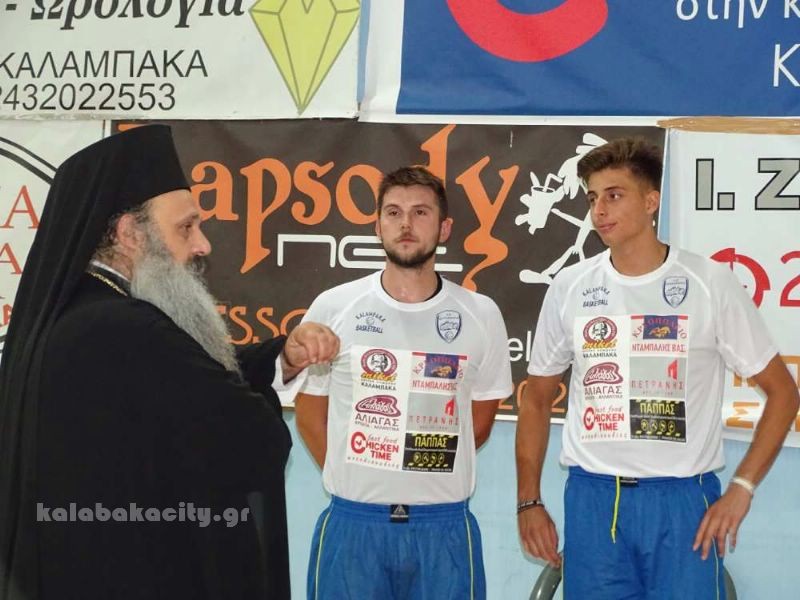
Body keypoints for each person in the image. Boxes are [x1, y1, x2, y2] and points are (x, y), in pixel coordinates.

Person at [0, 125, 339, 600]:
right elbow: (251, 439)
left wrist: (278, 358)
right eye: (186, 227)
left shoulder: (78, 316)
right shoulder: (129, 328)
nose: (202, 245)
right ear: (129, 234)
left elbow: (185, 383)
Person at [515, 137, 800, 599]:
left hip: (683, 502)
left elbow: (784, 393)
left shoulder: (708, 283)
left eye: (614, 195)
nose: (599, 210)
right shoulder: (570, 286)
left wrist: (742, 487)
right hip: (594, 499)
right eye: (592, 198)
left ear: (651, 202)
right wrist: (528, 499)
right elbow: (537, 398)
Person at [294, 166, 513, 599]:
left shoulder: (481, 314)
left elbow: (479, 421)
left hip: (443, 528)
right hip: (354, 526)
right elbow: (309, 413)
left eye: (420, 212)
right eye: (393, 213)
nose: (406, 224)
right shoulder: (334, 307)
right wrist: (359, 475)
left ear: (444, 228)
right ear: (377, 226)